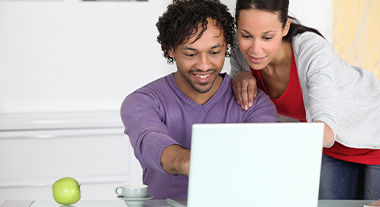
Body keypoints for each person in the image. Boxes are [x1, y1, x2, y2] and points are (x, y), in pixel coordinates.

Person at [120, 0, 278, 199]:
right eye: (190, 53)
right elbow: (152, 145)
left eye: (214, 52)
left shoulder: (255, 104)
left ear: (227, 47)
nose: (204, 65)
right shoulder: (142, 102)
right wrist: (197, 162)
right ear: (171, 49)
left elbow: (259, 165)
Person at [230, 0, 380, 200]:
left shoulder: (312, 51)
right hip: (329, 149)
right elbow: (235, 111)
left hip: (372, 131)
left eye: (267, 37)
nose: (255, 49)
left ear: (285, 27)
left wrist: (267, 140)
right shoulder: (240, 54)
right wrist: (239, 76)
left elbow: (325, 130)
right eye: (246, 35)